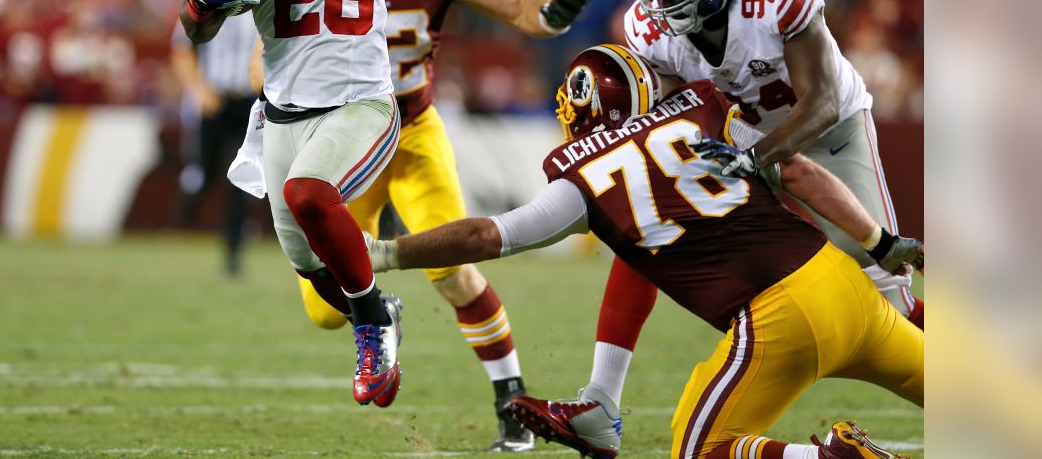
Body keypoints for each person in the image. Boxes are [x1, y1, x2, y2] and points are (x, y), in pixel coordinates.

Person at [178, 0, 621, 408]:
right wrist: (204, 1)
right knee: (313, 275)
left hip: (373, 106)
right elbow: (200, 23)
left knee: (316, 196)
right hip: (284, 110)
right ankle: (374, 304)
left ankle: (458, 367)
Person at [363, 45, 924, 459]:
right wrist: (877, 242)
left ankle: (833, 458)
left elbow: (487, 236)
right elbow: (799, 171)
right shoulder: (703, 112)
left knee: (700, 450)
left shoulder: (582, 176)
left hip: (782, 317)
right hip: (845, 283)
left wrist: (385, 253)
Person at [547, 0, 923, 455]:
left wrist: (757, 158)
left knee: (888, 301)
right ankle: (601, 398)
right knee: (651, 229)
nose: (660, 7)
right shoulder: (649, 27)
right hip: (737, 131)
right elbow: (677, 110)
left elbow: (817, 103)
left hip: (829, 133)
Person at [286, 0, 588, 449]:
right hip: (345, 137)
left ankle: (511, 397)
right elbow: (260, 70)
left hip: (413, 128)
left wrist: (561, 9)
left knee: (452, 267)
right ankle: (379, 311)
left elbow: (528, 14)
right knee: (323, 307)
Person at [170, 15, 261, 276]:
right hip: (214, 99)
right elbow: (182, 48)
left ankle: (233, 251)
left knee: (242, 177)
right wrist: (199, 90)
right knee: (204, 174)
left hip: (249, 102)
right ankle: (186, 210)